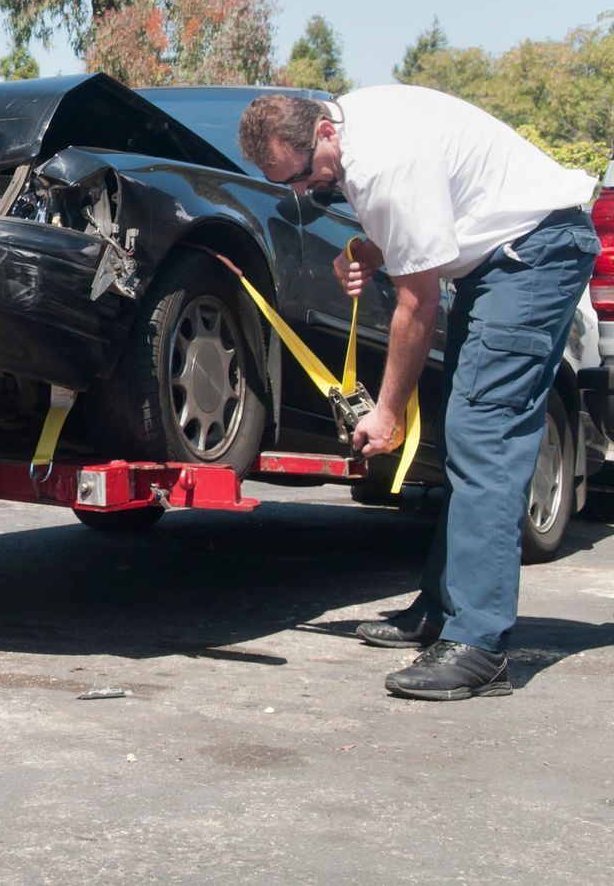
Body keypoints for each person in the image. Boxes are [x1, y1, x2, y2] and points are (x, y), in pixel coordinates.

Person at [237, 85, 599, 700]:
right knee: (467, 430)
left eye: (299, 176)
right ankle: (442, 609)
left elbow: (418, 301)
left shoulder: (381, 163)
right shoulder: (352, 135)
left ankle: (480, 647)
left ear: (324, 134)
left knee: (484, 435)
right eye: (286, 183)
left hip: (534, 255)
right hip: (498, 260)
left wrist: (385, 413)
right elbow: (432, 215)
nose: (300, 192)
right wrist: (375, 249)